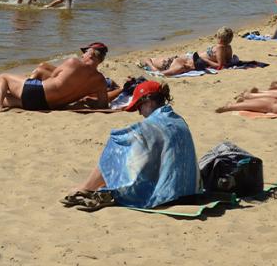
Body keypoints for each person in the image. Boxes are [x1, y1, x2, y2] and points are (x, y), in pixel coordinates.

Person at [65, 81, 199, 209]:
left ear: (149, 102)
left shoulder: (152, 126)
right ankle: (98, 187)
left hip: (167, 196)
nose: (139, 112)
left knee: (116, 144)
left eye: (139, 107)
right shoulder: (177, 119)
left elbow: (120, 139)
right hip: (190, 191)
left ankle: (87, 188)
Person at [0, 42, 110, 112]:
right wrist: (85, 100)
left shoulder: (73, 62)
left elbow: (53, 76)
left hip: (38, 93)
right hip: (49, 106)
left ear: (90, 53)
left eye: (85, 52)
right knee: (8, 99)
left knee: (3, 77)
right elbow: (102, 105)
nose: (83, 55)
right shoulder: (100, 81)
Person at [143, 27, 235, 76]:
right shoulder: (228, 47)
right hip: (188, 60)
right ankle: (152, 67)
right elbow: (228, 61)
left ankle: (154, 69)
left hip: (190, 61)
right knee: (158, 62)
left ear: (220, 38)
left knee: (171, 65)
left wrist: (206, 61)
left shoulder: (219, 47)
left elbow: (221, 65)